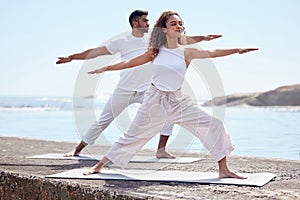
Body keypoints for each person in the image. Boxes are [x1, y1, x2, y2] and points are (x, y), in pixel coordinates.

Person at [84, 10, 258, 178]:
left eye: (180, 23)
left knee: (214, 124)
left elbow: (212, 53)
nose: (178, 26)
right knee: (132, 136)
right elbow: (130, 63)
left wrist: (237, 50)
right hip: (154, 101)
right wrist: (106, 68)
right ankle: (99, 166)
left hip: (177, 101)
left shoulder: (187, 52)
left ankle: (223, 169)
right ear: (165, 29)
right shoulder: (156, 51)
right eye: (173, 23)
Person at [56, 10, 222, 159]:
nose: (149, 24)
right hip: (124, 89)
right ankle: (77, 149)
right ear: (135, 23)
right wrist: (72, 57)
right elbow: (96, 52)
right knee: (104, 120)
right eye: (145, 21)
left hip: (147, 90)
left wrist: (204, 38)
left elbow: (183, 39)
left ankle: (161, 150)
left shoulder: (155, 39)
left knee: (168, 114)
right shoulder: (121, 42)